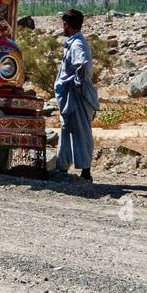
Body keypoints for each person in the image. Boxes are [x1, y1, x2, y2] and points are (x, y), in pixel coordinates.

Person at [53, 9, 98, 181]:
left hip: (76, 95)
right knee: (66, 129)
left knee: (81, 131)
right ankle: (62, 167)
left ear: (67, 24)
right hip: (69, 96)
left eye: (63, 24)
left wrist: (77, 84)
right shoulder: (73, 42)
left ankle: (86, 172)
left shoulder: (78, 44)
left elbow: (83, 65)